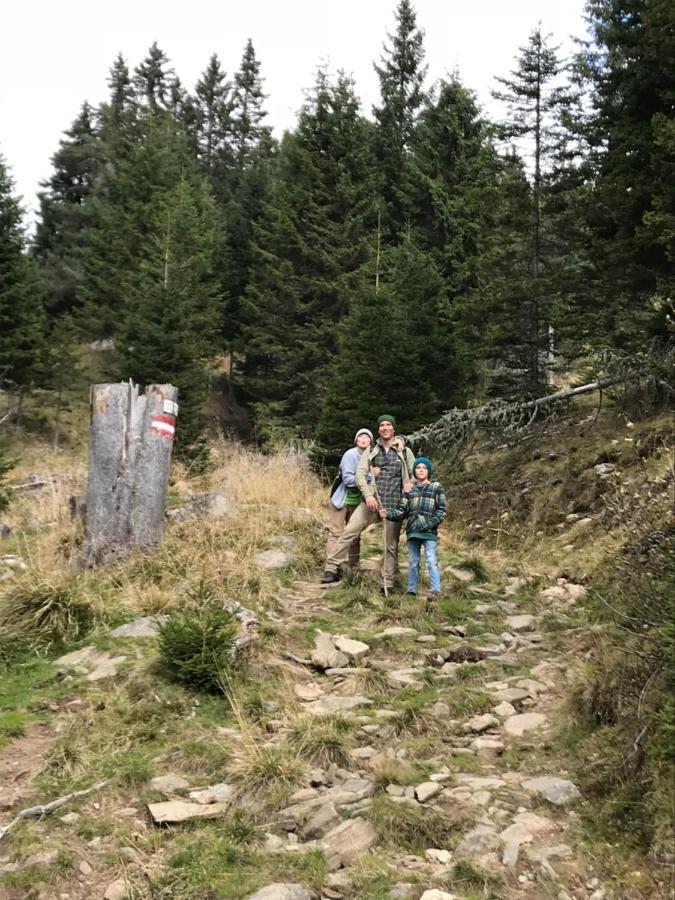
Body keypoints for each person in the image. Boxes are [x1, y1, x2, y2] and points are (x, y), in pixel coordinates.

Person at [321, 415, 415, 592]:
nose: (385, 427)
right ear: (378, 430)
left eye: (389, 425)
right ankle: (331, 567)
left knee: (391, 545)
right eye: (382, 425)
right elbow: (360, 474)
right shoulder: (371, 451)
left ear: (394, 429)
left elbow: (415, 471)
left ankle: (388, 583)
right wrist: (368, 495)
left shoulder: (405, 452)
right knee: (348, 532)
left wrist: (411, 482)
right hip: (370, 503)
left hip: (394, 505)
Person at [381, 456, 446, 599]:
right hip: (413, 532)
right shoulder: (409, 490)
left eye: (424, 468)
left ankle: (435, 590)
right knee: (413, 561)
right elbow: (401, 511)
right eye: (418, 468)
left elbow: (441, 510)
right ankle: (411, 590)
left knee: (431, 559)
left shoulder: (436, 487)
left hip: (429, 531)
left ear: (428, 471)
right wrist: (388, 513)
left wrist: (430, 523)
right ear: (414, 471)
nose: (421, 470)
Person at [321, 428, 373, 581]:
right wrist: (370, 476)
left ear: (371, 441)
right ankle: (331, 569)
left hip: (358, 501)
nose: (363, 439)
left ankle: (353, 565)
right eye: (360, 437)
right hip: (342, 500)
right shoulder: (350, 455)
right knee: (336, 532)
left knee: (355, 534)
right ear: (356, 441)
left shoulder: (372, 456)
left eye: (367, 437)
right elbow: (348, 480)